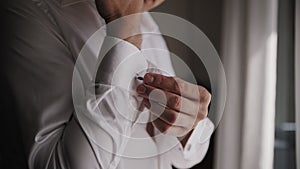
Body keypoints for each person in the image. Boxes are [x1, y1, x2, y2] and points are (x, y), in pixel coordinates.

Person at [1, 0, 214, 168]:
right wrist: (124, 28)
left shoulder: (145, 19)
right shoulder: (28, 11)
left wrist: (186, 126)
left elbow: (176, 156)